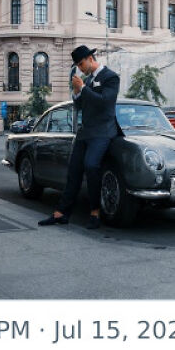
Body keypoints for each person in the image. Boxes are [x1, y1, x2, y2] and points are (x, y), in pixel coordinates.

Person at [38, 46, 120, 230]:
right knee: (73, 170)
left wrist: (82, 88)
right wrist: (76, 93)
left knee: (91, 165)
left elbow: (105, 102)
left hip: (103, 131)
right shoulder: (88, 80)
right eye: (78, 65)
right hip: (85, 132)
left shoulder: (111, 77)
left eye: (81, 64)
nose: (80, 68)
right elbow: (81, 105)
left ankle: (95, 212)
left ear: (91, 58)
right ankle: (61, 213)